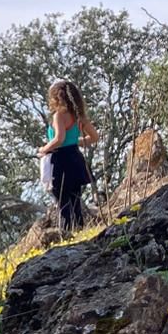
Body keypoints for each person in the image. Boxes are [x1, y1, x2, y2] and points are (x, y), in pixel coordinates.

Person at [38, 78, 100, 233]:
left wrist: (44, 149)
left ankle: (66, 235)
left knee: (63, 202)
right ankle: (80, 230)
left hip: (60, 161)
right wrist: (75, 141)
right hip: (75, 159)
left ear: (57, 97)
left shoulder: (59, 115)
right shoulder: (79, 116)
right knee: (75, 199)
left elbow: (59, 138)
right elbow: (94, 137)